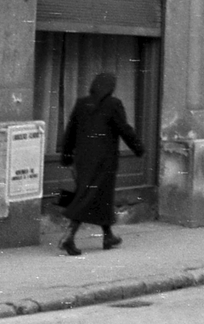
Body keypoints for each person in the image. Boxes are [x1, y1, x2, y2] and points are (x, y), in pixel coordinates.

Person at [59, 72, 145, 256]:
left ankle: (108, 236)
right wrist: (139, 148)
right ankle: (68, 236)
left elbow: (70, 131)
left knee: (101, 196)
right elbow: (125, 129)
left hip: (83, 160)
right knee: (88, 196)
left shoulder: (82, 103)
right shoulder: (113, 104)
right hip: (104, 161)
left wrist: (66, 156)